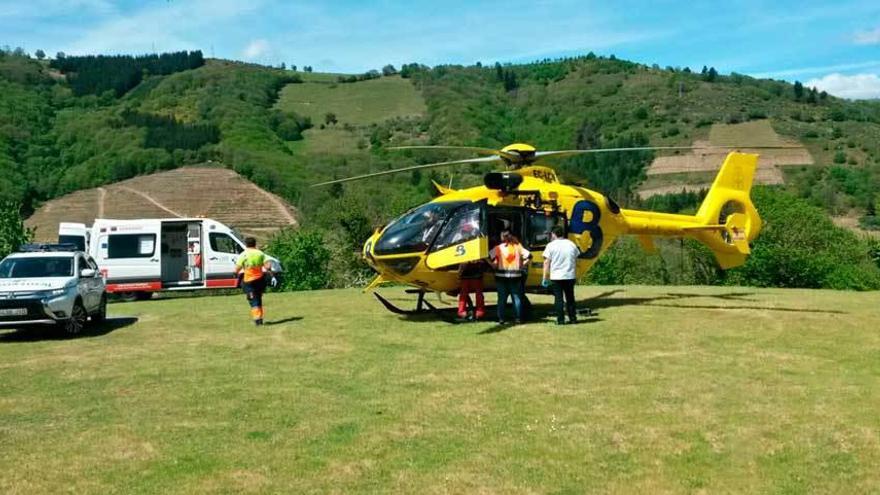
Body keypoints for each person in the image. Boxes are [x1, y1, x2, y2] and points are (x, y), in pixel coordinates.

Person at [489, 230, 531, 324]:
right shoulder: (518, 247)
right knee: (516, 298)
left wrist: (489, 263)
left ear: (502, 237)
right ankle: (518, 318)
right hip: (516, 276)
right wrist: (523, 265)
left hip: (501, 276)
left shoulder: (498, 248)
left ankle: (501, 318)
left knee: (502, 299)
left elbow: (488, 255)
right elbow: (530, 256)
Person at [542, 226, 580, 325]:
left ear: (554, 234)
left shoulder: (551, 246)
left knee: (558, 299)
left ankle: (560, 320)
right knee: (570, 298)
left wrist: (545, 277)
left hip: (556, 276)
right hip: (569, 275)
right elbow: (576, 259)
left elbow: (546, 262)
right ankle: (573, 318)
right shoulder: (571, 244)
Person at [234, 237, 276, 326]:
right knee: (258, 299)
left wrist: (235, 274)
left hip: (249, 281)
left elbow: (237, 269)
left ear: (246, 244)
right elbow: (268, 266)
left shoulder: (243, 255)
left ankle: (258, 320)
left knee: (253, 301)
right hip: (260, 280)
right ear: (255, 243)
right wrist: (271, 274)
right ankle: (260, 318)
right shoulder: (260, 253)